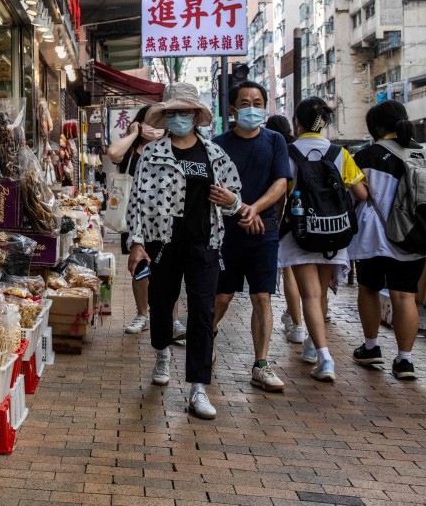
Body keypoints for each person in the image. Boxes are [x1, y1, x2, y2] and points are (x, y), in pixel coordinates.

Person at [126, 83, 243, 419]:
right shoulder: (152, 153)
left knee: (203, 312)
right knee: (161, 303)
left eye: (185, 112)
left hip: (204, 242)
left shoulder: (215, 154)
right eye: (172, 112)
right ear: (165, 115)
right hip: (161, 242)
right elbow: (137, 201)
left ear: (196, 115)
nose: (179, 118)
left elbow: (234, 197)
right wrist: (136, 242)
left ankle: (198, 388)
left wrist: (232, 201)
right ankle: (162, 353)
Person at [278, 97, 367, 383]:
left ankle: (325, 357)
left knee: (310, 296)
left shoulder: (288, 152)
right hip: (334, 232)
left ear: (297, 123)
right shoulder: (341, 153)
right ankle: (311, 346)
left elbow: (281, 192)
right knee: (321, 294)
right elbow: (361, 194)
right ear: (323, 122)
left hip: (301, 233)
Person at [213, 82, 291, 392]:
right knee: (222, 297)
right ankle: (211, 334)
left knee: (262, 296)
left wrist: (255, 209)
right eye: (244, 103)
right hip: (226, 232)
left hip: (264, 231)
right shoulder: (218, 144)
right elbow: (217, 188)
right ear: (232, 109)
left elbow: (281, 182)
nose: (251, 107)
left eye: (257, 102)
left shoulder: (275, 141)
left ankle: (261, 364)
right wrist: (243, 211)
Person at [348, 100, 425, 380]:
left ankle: (371, 348)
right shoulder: (424, 154)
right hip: (414, 237)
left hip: (375, 236)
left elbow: (357, 194)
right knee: (405, 295)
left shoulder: (368, 155)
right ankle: (405, 361)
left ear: (376, 128)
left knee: (368, 289)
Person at [107, 107, 188, 339]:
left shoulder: (171, 148)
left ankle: (172, 320)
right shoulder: (133, 151)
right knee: (140, 269)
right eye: (149, 122)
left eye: (159, 123)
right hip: (135, 218)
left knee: (169, 270)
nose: (154, 127)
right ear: (140, 122)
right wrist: (133, 134)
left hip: (166, 218)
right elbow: (113, 153)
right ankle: (143, 314)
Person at [265, 114, 307, 345]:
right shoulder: (298, 149)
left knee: (289, 272)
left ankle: (297, 325)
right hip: (309, 220)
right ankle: (295, 318)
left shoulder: (276, 150)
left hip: (284, 220)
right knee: (310, 273)